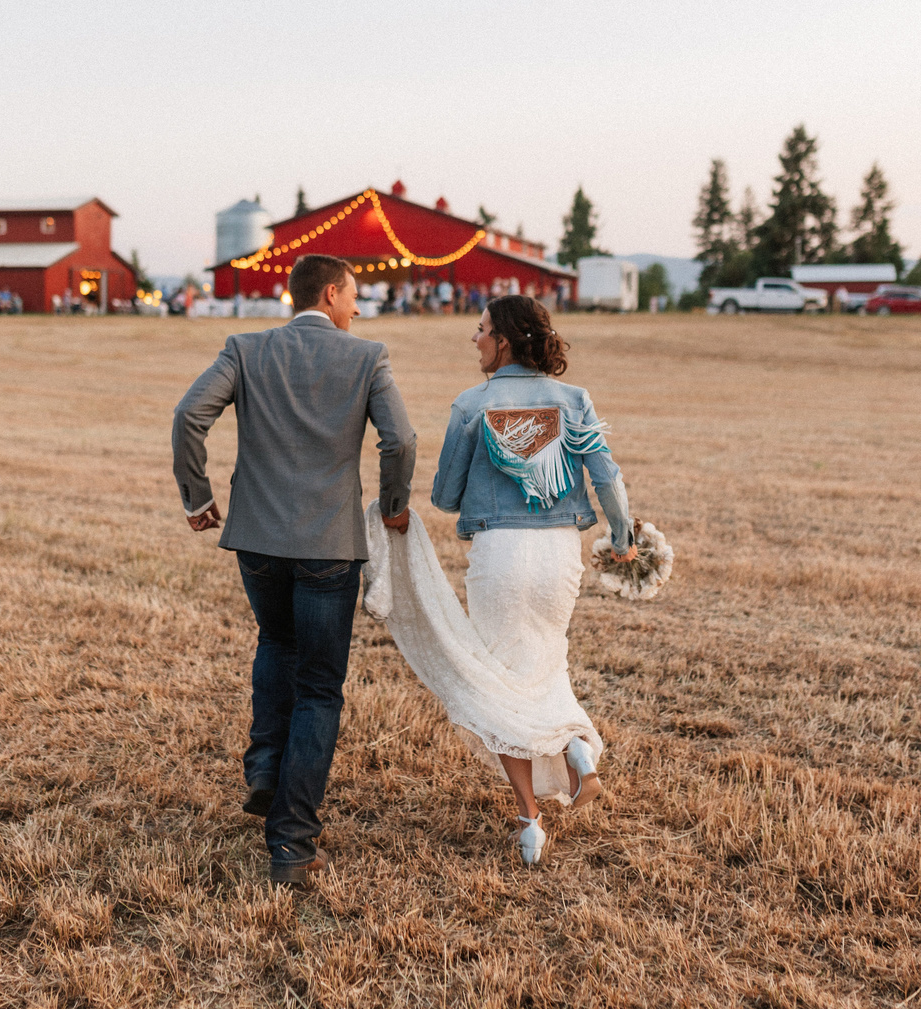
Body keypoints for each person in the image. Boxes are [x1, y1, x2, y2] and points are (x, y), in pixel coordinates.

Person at [172, 254, 416, 887]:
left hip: (257, 540)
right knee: (319, 687)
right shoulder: (367, 358)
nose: (359, 309)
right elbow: (402, 441)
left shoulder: (245, 348)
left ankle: (264, 769)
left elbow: (188, 415)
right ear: (331, 294)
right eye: (355, 296)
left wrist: (197, 496)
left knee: (275, 641)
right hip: (329, 546)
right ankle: (292, 842)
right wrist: (393, 506)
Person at [429, 294, 635, 864]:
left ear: (505, 341)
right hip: (558, 554)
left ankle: (531, 822)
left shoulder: (473, 405)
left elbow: (444, 497)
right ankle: (575, 751)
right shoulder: (573, 400)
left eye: (481, 329)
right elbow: (607, 478)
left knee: (501, 681)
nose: (474, 338)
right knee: (546, 662)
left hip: (500, 552)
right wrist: (623, 538)